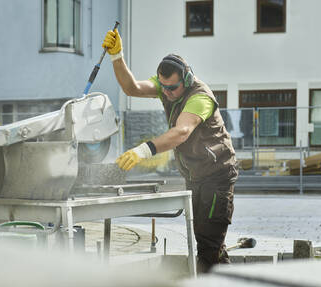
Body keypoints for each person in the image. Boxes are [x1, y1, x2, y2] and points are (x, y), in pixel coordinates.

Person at [102, 29, 238, 273]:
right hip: (196, 175)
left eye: (172, 88)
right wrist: (117, 57)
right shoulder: (166, 86)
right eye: (162, 87)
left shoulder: (200, 97)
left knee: (208, 248)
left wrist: (144, 151)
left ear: (185, 81)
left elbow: (182, 131)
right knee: (209, 244)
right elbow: (132, 88)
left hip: (217, 176)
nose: (166, 93)